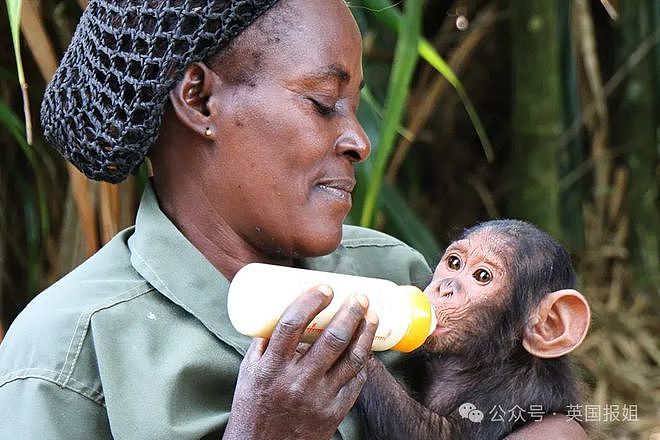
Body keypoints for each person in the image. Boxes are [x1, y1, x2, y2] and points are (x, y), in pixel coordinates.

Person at [0, 0, 587, 438]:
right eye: (324, 103)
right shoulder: (70, 355)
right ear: (201, 100)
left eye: (356, 108)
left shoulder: (395, 272)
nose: (359, 141)